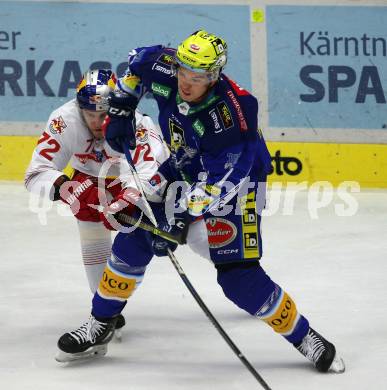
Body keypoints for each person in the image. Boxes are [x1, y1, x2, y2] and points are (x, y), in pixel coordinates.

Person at [56, 31, 345, 373]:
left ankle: (304, 336)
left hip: (238, 185)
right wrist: (123, 105)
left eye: (197, 77)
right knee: (135, 236)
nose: (187, 83)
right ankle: (101, 322)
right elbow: (137, 61)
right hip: (186, 163)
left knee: (238, 278)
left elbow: (221, 183)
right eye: (183, 72)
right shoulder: (166, 68)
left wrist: (177, 217)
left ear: (214, 76)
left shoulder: (231, 117)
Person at [25, 68, 169, 341]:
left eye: (103, 115)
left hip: (131, 182)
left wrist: (130, 196)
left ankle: (234, 263)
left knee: (186, 241)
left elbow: (151, 169)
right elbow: (36, 172)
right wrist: (67, 190)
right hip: (89, 182)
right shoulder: (63, 120)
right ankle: (103, 313)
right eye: (90, 114)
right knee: (91, 235)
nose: (96, 121)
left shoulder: (136, 121)